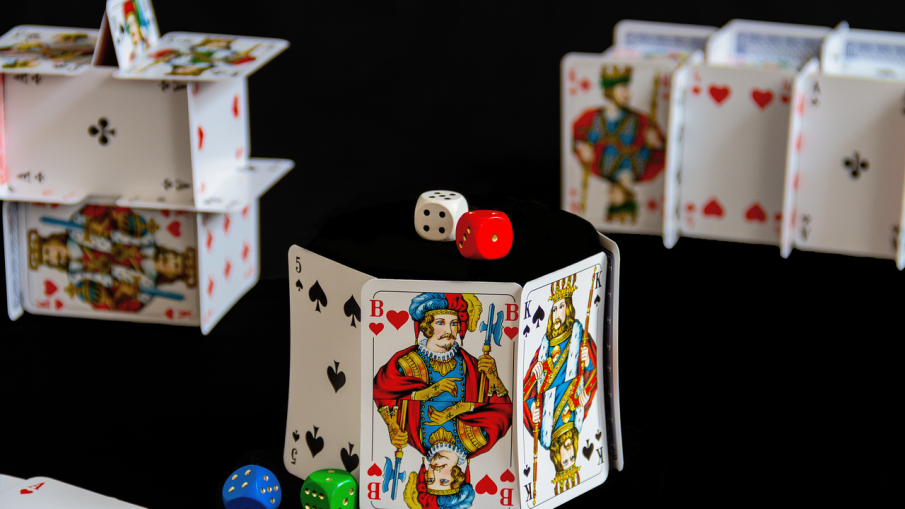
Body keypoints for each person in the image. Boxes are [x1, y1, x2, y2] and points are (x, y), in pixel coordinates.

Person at [373, 292, 512, 509]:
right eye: (440, 322)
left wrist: (393, 427)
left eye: (454, 323)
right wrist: (430, 393)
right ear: (427, 327)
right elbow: (502, 412)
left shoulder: (416, 439)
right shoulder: (477, 440)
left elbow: (387, 400)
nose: (448, 330)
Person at [522, 275, 597, 495]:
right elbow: (527, 388)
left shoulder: (580, 337)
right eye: (554, 309)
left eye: (561, 307)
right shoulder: (545, 345)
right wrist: (536, 373)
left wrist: (587, 361)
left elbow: (592, 373)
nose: (556, 314)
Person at [572, 65, 665, 223]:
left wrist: (658, 143)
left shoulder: (602, 170)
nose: (629, 94)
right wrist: (580, 146)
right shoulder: (643, 173)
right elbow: (576, 137)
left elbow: (664, 149)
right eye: (623, 88)